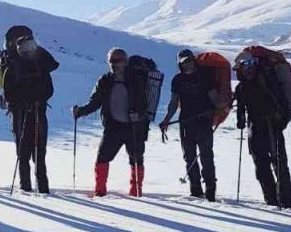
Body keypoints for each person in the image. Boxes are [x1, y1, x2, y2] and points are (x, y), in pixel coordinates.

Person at [72, 48, 152, 197]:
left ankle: (136, 192)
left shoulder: (136, 79)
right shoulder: (105, 80)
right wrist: (81, 111)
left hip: (134, 126)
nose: (114, 64)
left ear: (125, 61)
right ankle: (100, 192)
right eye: (111, 61)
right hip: (115, 126)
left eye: (117, 61)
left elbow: (144, 102)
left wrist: (139, 115)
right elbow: (95, 102)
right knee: (103, 158)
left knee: (136, 159)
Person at [0, 25, 58, 193]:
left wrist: (24, 100)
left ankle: (28, 188)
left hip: (22, 113)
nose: (27, 50)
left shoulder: (15, 67)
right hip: (33, 111)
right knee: (33, 152)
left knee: (29, 152)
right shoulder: (35, 66)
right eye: (24, 47)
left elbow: (9, 93)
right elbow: (48, 90)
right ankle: (38, 189)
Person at [234, 51, 291, 207]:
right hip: (257, 128)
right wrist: (240, 119)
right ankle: (272, 201)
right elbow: (241, 108)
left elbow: (282, 102)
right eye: (245, 65)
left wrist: (282, 120)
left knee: (279, 165)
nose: (249, 68)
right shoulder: (241, 87)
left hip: (272, 126)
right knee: (262, 167)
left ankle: (286, 202)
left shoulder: (268, 80)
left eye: (251, 64)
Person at [159, 49, 219, 201]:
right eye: (184, 62)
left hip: (203, 121)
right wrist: (167, 119)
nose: (188, 64)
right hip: (186, 122)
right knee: (190, 157)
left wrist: (219, 107)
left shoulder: (205, 76)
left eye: (190, 60)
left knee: (206, 156)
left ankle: (211, 191)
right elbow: (174, 103)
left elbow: (213, 96)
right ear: (179, 64)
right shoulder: (177, 80)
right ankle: (196, 190)